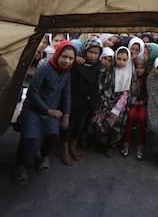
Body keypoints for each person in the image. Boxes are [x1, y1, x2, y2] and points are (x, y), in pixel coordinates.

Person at [13, 40, 77, 185]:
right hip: (34, 109)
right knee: (28, 140)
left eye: (70, 58)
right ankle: (19, 165)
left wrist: (66, 115)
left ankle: (43, 156)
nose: (67, 61)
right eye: (64, 56)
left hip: (52, 112)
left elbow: (67, 94)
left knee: (53, 137)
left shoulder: (67, 73)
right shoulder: (44, 67)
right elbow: (32, 93)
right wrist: (48, 110)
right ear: (57, 54)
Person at [59, 37, 103, 165]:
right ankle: (65, 148)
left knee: (81, 126)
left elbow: (95, 84)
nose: (93, 56)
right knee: (70, 125)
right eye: (91, 52)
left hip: (88, 102)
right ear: (84, 50)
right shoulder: (76, 64)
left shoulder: (97, 65)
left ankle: (73, 146)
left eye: (96, 53)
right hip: (75, 101)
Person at [90, 46, 136, 158]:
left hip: (121, 105)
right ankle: (98, 143)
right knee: (98, 119)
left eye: (124, 60)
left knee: (116, 123)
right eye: (118, 59)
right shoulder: (110, 69)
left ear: (128, 60)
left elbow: (127, 94)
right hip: (106, 100)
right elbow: (103, 87)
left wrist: (116, 109)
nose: (121, 62)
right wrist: (106, 103)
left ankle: (110, 147)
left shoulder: (131, 73)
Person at [121, 59, 148, 160]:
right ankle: (126, 142)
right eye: (137, 68)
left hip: (142, 104)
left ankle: (140, 145)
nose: (139, 70)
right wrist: (133, 101)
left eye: (142, 68)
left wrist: (143, 101)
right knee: (131, 116)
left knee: (142, 118)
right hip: (131, 102)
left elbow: (149, 93)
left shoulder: (147, 78)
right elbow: (127, 91)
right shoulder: (131, 77)